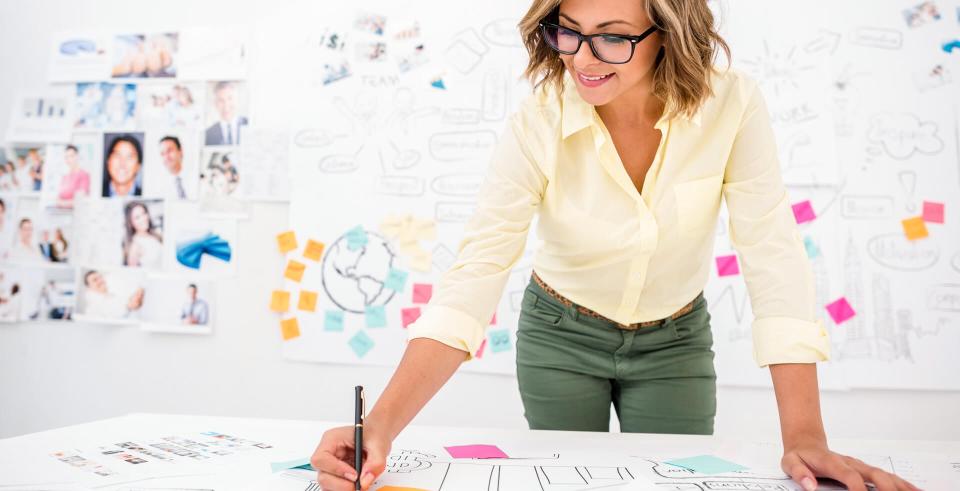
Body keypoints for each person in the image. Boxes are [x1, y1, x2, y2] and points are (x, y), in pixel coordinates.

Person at [311, 1, 918, 491]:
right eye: (568, 31)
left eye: (612, 36)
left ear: (670, 30)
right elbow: (477, 272)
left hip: (676, 340)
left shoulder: (731, 104)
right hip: (559, 334)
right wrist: (380, 427)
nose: (582, 57)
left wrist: (805, 436)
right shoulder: (538, 120)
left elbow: (773, 255)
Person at [204, 81, 248, 146]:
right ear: (215, 104)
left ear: (237, 100)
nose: (226, 105)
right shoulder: (208, 134)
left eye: (230, 98)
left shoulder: (248, 124)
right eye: (221, 100)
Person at [122, 201, 163, 268]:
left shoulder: (155, 234)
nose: (144, 218)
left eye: (144, 213)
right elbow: (132, 274)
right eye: (137, 217)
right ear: (131, 223)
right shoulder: (135, 245)